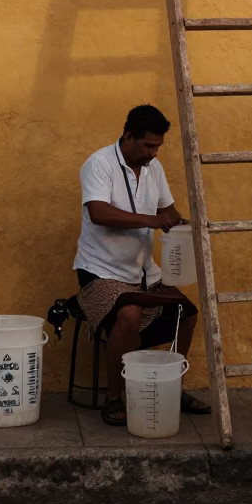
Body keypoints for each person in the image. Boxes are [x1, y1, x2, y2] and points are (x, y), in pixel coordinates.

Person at [73, 103, 212, 425]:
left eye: (158, 146)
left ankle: (169, 386)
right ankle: (114, 397)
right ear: (128, 136)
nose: (154, 153)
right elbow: (98, 212)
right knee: (130, 313)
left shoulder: (154, 169)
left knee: (187, 313)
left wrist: (185, 224)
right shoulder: (99, 163)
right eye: (149, 146)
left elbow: (169, 211)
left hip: (144, 271)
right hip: (99, 271)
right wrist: (153, 220)